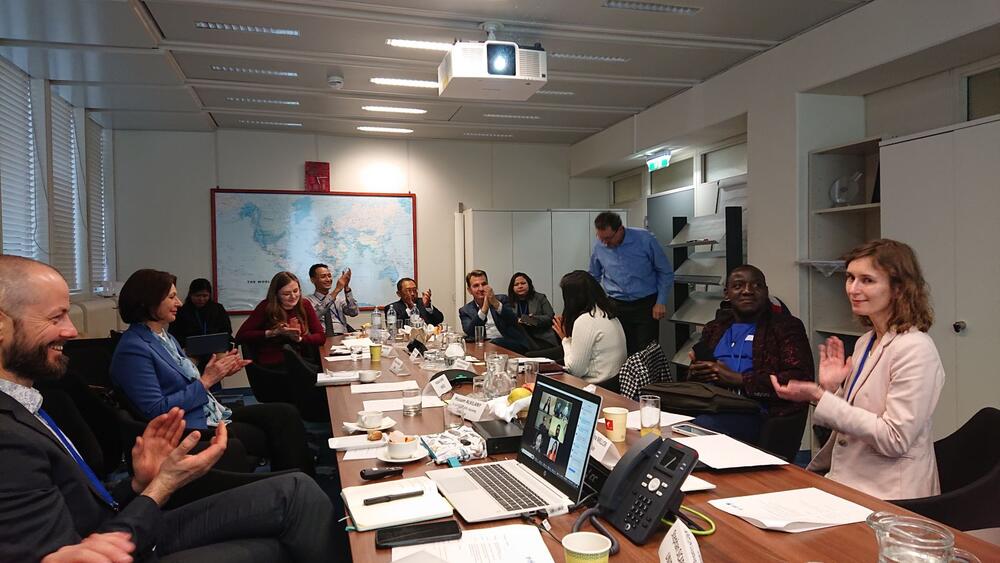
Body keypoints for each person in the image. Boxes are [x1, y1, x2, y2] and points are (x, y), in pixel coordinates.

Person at [0, 255, 333, 562]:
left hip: (123, 516)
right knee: (295, 505)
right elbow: (77, 550)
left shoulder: (29, 402)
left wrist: (138, 484)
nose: (72, 330)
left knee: (299, 492)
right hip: (127, 537)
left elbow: (82, 507)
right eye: (56, 316)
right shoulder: (10, 436)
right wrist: (160, 485)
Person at [772, 239, 945, 500]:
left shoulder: (916, 348)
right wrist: (828, 390)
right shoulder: (867, 341)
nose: (853, 289)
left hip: (890, 497)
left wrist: (820, 397)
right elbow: (853, 418)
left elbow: (894, 439)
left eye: (867, 280)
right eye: (850, 278)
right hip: (848, 481)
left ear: (898, 288)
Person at [111, 269, 315, 475]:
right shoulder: (134, 349)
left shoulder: (163, 336)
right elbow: (156, 410)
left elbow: (182, 382)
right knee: (275, 431)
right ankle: (293, 484)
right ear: (149, 302)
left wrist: (220, 373)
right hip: (193, 427)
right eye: (172, 297)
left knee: (285, 414)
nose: (179, 303)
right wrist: (207, 380)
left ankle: (299, 482)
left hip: (209, 411)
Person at [687, 265, 814, 443]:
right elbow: (701, 376)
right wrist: (697, 371)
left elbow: (799, 378)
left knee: (701, 428)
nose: (748, 291)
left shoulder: (786, 327)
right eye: (738, 286)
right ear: (727, 293)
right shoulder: (714, 327)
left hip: (760, 413)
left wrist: (739, 378)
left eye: (756, 286)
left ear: (766, 291)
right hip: (713, 404)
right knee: (656, 415)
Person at [589, 211, 674, 356]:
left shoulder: (645, 239)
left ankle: (649, 380)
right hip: (616, 305)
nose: (605, 243)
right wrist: (596, 304)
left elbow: (665, 271)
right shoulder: (599, 246)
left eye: (608, 238)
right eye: (601, 238)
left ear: (620, 229)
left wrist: (661, 302)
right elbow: (593, 276)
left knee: (646, 353)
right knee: (620, 352)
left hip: (646, 305)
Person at [236, 271, 326, 367]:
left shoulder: (304, 304)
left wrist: (299, 339)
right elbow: (241, 336)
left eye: (296, 291)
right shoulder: (266, 306)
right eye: (286, 294)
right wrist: (273, 333)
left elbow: (320, 336)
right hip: (274, 363)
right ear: (276, 294)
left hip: (302, 360)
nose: (293, 296)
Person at [552, 270, 626, 387]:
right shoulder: (607, 312)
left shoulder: (586, 320)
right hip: (613, 382)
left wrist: (565, 339)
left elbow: (575, 371)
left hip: (596, 386)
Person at [459, 269, 533, 353]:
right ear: (469, 290)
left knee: (494, 343)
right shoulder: (465, 310)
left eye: (484, 284)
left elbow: (513, 320)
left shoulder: (502, 299)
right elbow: (470, 332)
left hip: (510, 342)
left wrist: (495, 303)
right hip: (483, 346)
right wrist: (484, 310)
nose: (481, 288)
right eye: (476, 286)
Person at [168, 278, 233, 372]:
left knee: (223, 363)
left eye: (205, 295)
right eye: (197, 295)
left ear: (209, 295)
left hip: (215, 350)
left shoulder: (218, 309)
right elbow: (173, 334)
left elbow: (227, 331)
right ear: (190, 294)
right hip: (190, 351)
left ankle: (214, 383)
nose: (201, 299)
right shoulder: (181, 310)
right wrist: (186, 346)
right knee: (188, 367)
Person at [507, 272, 559, 348]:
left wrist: (533, 319)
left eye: (523, 283)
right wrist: (518, 320)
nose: (520, 286)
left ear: (529, 284)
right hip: (520, 338)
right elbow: (507, 319)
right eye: (516, 284)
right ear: (512, 288)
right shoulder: (508, 301)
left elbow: (550, 317)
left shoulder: (540, 298)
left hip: (541, 337)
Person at [304, 263, 358, 336]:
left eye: (329, 276)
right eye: (323, 277)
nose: (328, 279)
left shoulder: (338, 299)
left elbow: (353, 312)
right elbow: (316, 315)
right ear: (313, 280)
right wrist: (337, 290)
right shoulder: (307, 300)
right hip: (323, 338)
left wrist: (346, 288)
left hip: (343, 336)